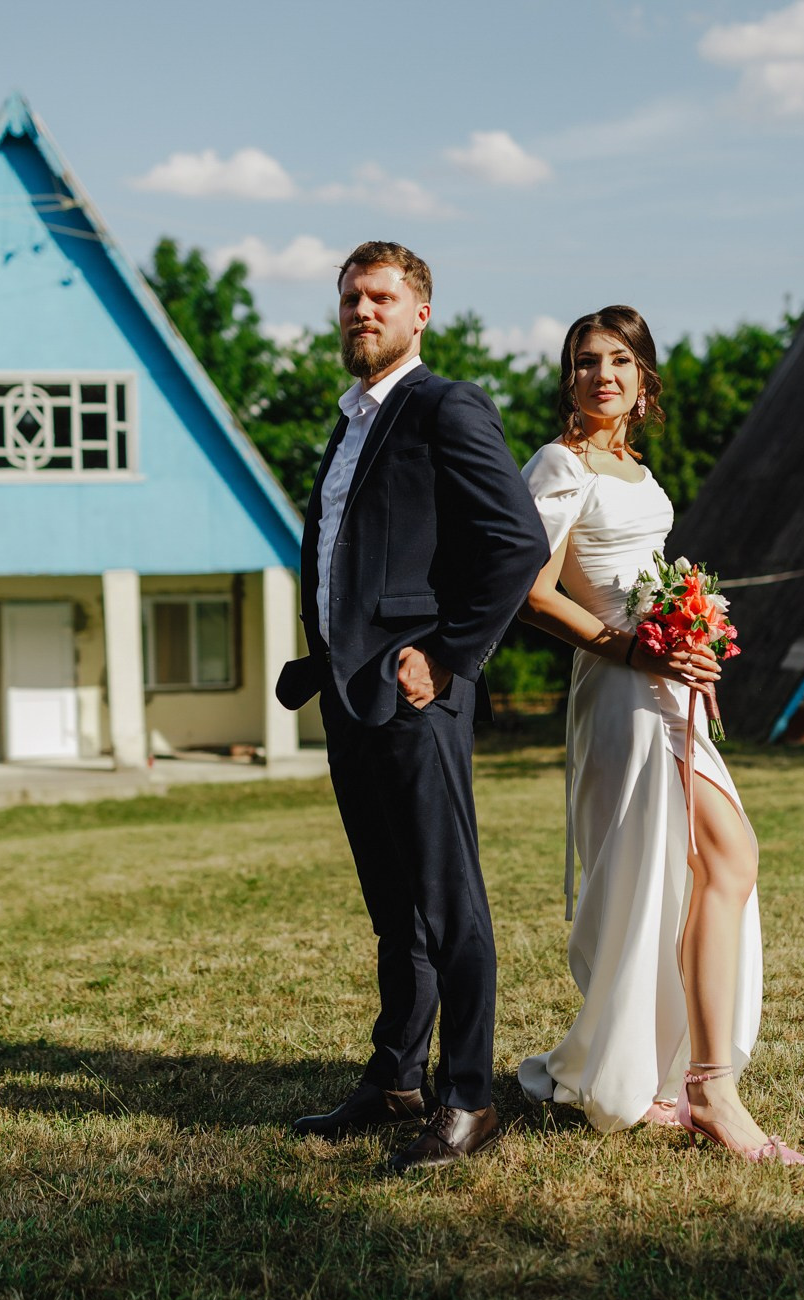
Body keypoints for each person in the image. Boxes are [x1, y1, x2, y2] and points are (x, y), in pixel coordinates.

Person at [276, 241, 547, 1174]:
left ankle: (468, 1098)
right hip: (349, 698)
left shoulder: (445, 404)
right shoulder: (349, 421)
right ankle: (397, 1077)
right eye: (350, 297)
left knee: (449, 903)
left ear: (420, 312)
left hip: (416, 694)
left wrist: (450, 653)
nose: (362, 311)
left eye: (381, 297)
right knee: (393, 907)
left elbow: (516, 543)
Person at [514, 306, 804, 1165]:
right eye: (584, 362)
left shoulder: (634, 468)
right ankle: (713, 1090)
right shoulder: (560, 466)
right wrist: (636, 647)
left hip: (668, 691)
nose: (601, 375)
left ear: (644, 380)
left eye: (618, 361)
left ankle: (677, 1073)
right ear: (570, 380)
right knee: (726, 858)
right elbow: (533, 593)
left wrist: (695, 640)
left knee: (698, 873)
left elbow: (656, 582)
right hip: (619, 694)